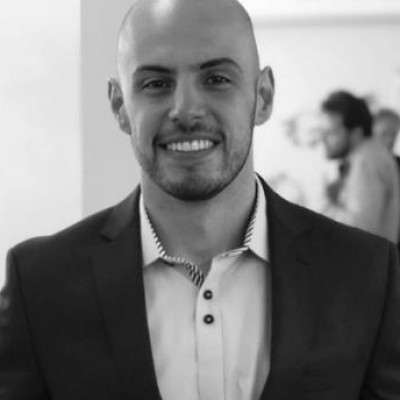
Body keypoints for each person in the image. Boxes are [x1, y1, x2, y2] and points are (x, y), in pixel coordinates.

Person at [0, 1, 399, 399]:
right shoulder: (39, 286)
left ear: (262, 96)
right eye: (156, 84)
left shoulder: (367, 275)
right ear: (120, 106)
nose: (186, 111)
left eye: (216, 79)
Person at [320, 90, 400, 243]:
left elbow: (359, 231)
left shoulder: (366, 160)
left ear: (356, 133)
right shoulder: (366, 156)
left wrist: (328, 205)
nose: (324, 139)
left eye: (332, 132)